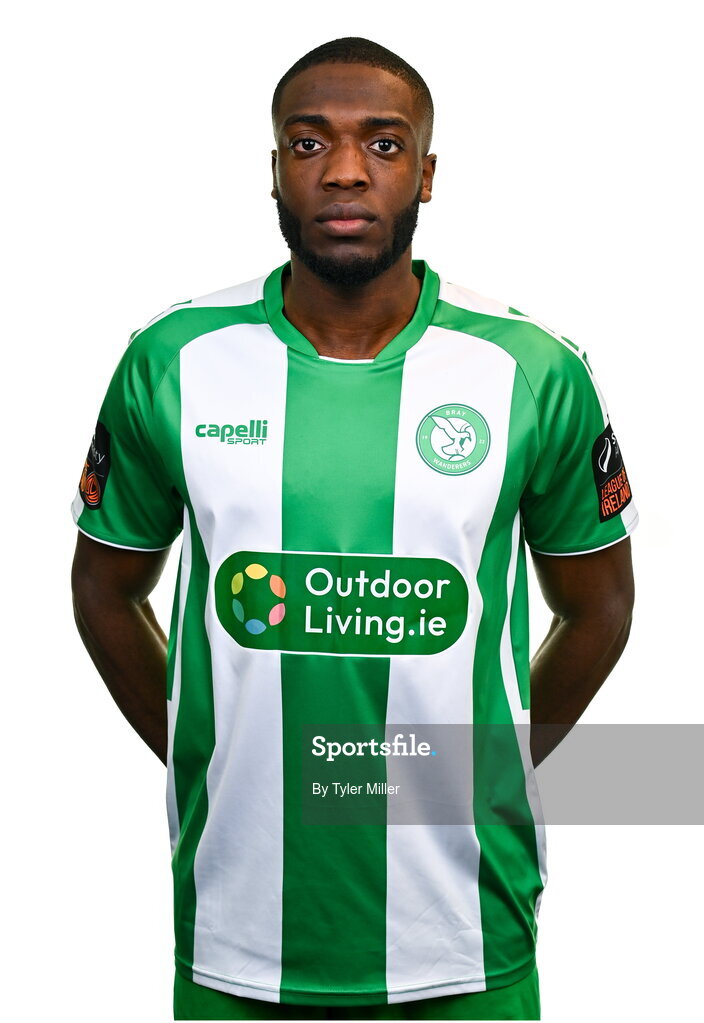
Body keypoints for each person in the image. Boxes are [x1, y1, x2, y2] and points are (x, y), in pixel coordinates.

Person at [70, 36, 637, 1022]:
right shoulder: (175, 358)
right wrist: (214, 749)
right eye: (307, 143)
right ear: (274, 172)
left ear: (424, 172)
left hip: (465, 933)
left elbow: (598, 610)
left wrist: (470, 766)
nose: (342, 170)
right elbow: (103, 588)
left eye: (381, 144)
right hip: (236, 936)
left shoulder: (529, 370)